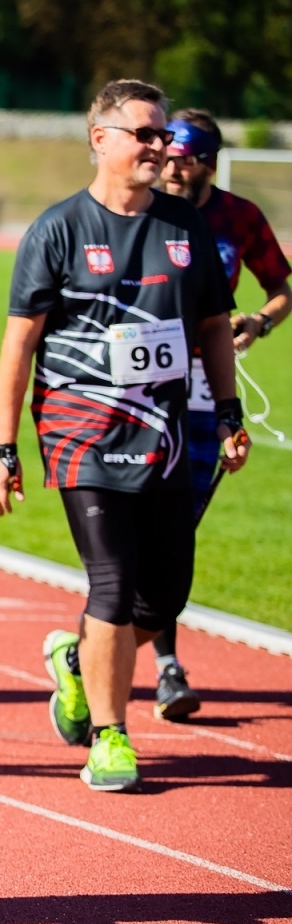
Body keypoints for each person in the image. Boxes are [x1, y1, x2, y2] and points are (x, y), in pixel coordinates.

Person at [0, 79, 247, 793]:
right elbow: (19, 345)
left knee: (163, 598)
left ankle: (78, 661)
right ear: (100, 139)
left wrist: (228, 412)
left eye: (165, 135)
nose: (161, 147)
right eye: (146, 134)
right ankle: (109, 736)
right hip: (82, 435)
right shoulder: (58, 229)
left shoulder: (184, 226)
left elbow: (213, 326)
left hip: (164, 434)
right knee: (113, 581)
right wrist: (2, 446)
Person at [153, 109, 291, 720]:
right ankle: (160, 663)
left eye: (182, 158)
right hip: (147, 390)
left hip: (211, 390)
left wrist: (258, 321)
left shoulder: (240, 218)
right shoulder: (145, 211)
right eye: (166, 155)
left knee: (179, 533)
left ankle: (118, 645)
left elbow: (282, 288)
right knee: (147, 529)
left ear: (207, 161)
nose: (171, 167)